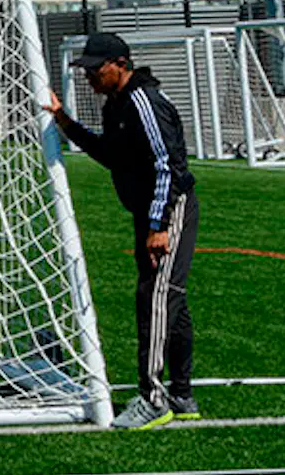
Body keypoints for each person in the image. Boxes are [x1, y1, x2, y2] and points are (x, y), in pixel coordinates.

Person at [44, 31, 199, 427]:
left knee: (155, 298)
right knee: (169, 300)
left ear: (121, 65)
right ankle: (182, 394)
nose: (90, 77)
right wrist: (66, 124)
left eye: (96, 69)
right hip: (147, 211)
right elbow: (111, 155)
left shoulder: (143, 102)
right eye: (87, 70)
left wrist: (158, 225)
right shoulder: (115, 105)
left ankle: (153, 398)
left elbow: (169, 165)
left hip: (168, 209)